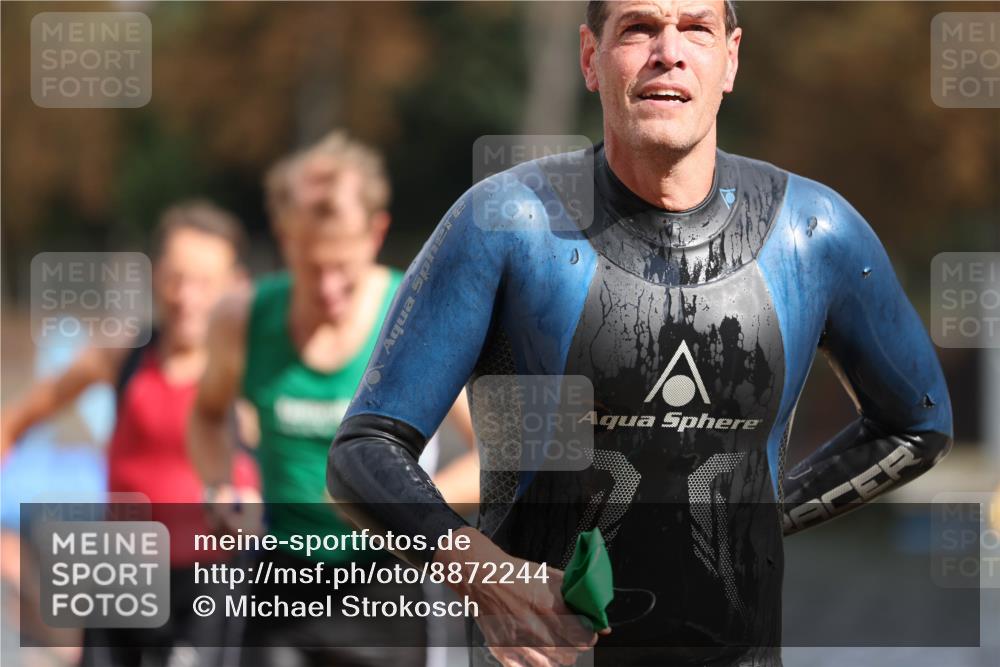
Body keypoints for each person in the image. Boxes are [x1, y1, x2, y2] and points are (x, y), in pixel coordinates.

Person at [326, 2, 954, 666]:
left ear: (731, 59)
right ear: (589, 58)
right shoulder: (507, 223)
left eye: (696, 29)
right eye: (639, 28)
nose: (669, 52)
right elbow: (364, 451)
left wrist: (770, 514)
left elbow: (917, 425)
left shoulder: (813, 233)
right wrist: (485, 575)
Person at [188, 131, 477, 667]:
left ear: (376, 232)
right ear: (285, 238)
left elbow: (499, 458)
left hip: (389, 588)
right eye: (311, 267)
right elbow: (207, 417)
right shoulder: (242, 318)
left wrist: (392, 503)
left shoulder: (417, 317)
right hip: (280, 584)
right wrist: (219, 485)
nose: (326, 289)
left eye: (342, 269)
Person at [1, 201, 260, 666]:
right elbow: (30, 409)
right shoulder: (126, 356)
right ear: (157, 275)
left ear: (235, 285)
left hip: (208, 579)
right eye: (176, 278)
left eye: (204, 283)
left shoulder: (249, 373)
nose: (186, 297)